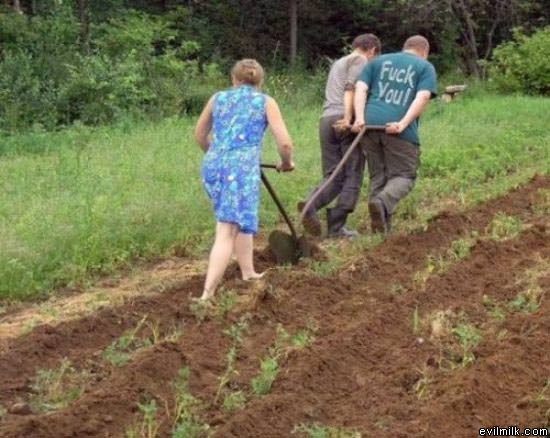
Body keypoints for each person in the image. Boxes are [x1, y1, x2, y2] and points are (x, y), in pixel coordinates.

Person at [194, 59, 295, 301]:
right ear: (259, 81)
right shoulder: (265, 101)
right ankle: (207, 295)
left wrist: (219, 155)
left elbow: (199, 135)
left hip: (213, 164)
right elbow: (285, 143)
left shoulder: (218, 98)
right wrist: (286, 163)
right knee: (227, 229)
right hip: (240, 170)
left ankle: (248, 272)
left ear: (233, 79)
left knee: (238, 218)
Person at [352, 35, 437, 234]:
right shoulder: (425, 67)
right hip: (398, 130)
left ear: (404, 47)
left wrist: (359, 118)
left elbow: (361, 87)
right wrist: (403, 124)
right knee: (405, 175)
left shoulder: (378, 62)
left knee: (378, 176)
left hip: (370, 126)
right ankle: (381, 204)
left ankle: (380, 230)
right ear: (425, 52)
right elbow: (423, 96)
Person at [299, 34, 381, 238]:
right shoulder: (360, 60)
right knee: (353, 173)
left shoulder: (339, 62)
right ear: (371, 50)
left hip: (326, 119)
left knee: (333, 174)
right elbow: (350, 88)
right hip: (343, 120)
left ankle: (310, 203)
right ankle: (336, 227)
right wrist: (348, 118)